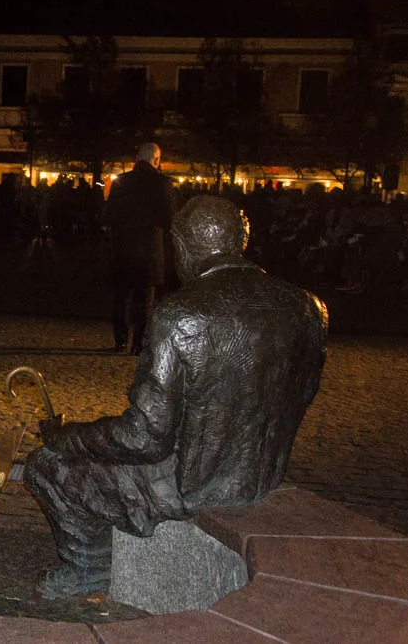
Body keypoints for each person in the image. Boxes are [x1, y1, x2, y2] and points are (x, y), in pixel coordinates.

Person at [25, 196, 328, 598]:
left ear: (180, 247)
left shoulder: (181, 315)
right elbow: (302, 393)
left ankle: (89, 568)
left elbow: (144, 438)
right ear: (240, 242)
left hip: (193, 485)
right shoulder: (309, 307)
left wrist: (68, 437)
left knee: (46, 465)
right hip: (261, 474)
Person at [103, 142, 174, 355]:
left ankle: (120, 340)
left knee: (121, 298)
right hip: (149, 251)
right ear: (157, 160)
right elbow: (168, 218)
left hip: (123, 248)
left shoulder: (121, 182)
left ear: (137, 159)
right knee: (144, 301)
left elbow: (109, 215)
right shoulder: (163, 184)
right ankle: (138, 343)